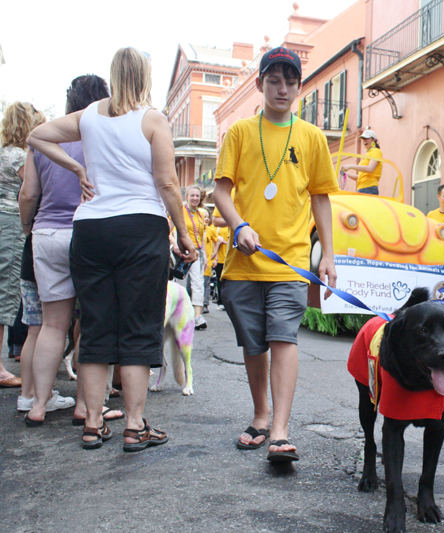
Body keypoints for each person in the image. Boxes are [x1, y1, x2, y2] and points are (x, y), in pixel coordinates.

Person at [27, 47, 196, 450]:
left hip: (90, 228)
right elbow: (167, 183)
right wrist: (183, 232)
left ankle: (93, 423)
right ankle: (135, 426)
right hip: (140, 227)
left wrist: (77, 167)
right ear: (145, 77)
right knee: (138, 325)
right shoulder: (153, 119)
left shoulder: (88, 116)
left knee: (96, 325)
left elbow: (36, 136)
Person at [212, 46, 339, 460]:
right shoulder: (240, 133)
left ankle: (280, 429)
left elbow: (320, 198)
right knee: (254, 344)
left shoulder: (312, 137)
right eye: (274, 80)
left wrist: (328, 255)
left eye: (290, 81)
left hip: (290, 260)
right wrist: (239, 225)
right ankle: (261, 414)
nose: (282, 89)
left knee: (284, 338)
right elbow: (220, 191)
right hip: (244, 262)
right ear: (260, 84)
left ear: (299, 87)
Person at [18, 75, 113, 423]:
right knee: (91, 323)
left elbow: (28, 194)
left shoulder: (44, 138)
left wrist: (29, 228)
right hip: (87, 232)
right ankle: (86, 406)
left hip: (46, 234)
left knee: (52, 325)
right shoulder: (100, 135)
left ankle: (38, 405)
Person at [0, 102, 42, 388]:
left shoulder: (4, 152)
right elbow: (32, 190)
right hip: (11, 223)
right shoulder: (19, 156)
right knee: (6, 293)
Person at [170, 185, 207, 330]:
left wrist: (205, 256)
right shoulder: (179, 211)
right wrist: (175, 244)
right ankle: (177, 314)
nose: (195, 198)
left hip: (196, 253)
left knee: (198, 283)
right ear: (186, 197)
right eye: (192, 195)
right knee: (178, 284)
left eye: (197, 196)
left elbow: (201, 238)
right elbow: (169, 230)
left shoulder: (201, 215)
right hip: (181, 252)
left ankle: (197, 316)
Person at [341, 130, 382, 195]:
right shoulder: (368, 154)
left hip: (369, 188)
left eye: (366, 138)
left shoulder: (376, 151)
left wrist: (350, 166)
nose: (364, 140)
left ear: (373, 139)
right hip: (362, 188)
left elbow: (370, 169)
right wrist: (347, 173)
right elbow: (360, 177)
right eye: (363, 139)